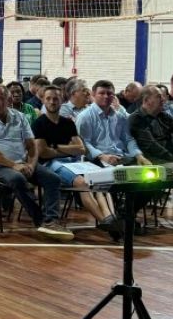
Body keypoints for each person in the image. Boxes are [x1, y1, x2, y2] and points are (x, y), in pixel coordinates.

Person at [0, 85, 65, 239]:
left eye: (0, 98)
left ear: (8, 100)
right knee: (17, 179)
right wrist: (14, 165)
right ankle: (41, 220)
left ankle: (52, 220)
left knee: (53, 179)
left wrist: (31, 165)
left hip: (22, 163)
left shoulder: (20, 117)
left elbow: (31, 146)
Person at [33, 85, 118, 241]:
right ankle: (105, 222)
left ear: (62, 100)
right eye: (49, 99)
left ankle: (110, 218)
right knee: (81, 182)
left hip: (73, 162)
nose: (52, 102)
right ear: (43, 101)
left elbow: (81, 149)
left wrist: (56, 147)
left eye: (56, 99)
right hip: (51, 164)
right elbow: (43, 152)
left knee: (100, 180)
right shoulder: (39, 123)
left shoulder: (68, 123)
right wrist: (68, 149)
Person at [76, 80, 149, 167]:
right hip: (97, 160)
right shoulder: (84, 117)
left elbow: (128, 139)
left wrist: (139, 155)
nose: (106, 96)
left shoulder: (120, 117)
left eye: (109, 93)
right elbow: (84, 144)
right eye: (102, 93)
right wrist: (102, 156)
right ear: (93, 94)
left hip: (121, 158)